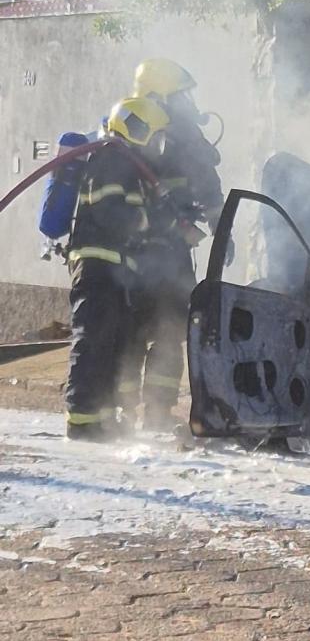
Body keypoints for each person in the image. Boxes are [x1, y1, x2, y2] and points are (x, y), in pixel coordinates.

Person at [118, 59, 224, 432]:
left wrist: (219, 225)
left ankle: (145, 413)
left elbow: (206, 184)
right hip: (148, 252)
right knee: (146, 331)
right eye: (179, 96)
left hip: (156, 252)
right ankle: (138, 413)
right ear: (158, 95)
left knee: (158, 330)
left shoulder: (164, 134)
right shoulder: (140, 131)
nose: (186, 103)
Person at [63, 99, 169, 441]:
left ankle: (104, 419)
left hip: (116, 267)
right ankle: (81, 420)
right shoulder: (111, 160)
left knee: (112, 343)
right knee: (93, 340)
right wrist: (146, 221)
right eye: (155, 136)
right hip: (96, 263)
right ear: (137, 129)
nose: (157, 145)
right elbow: (111, 213)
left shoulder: (129, 166)